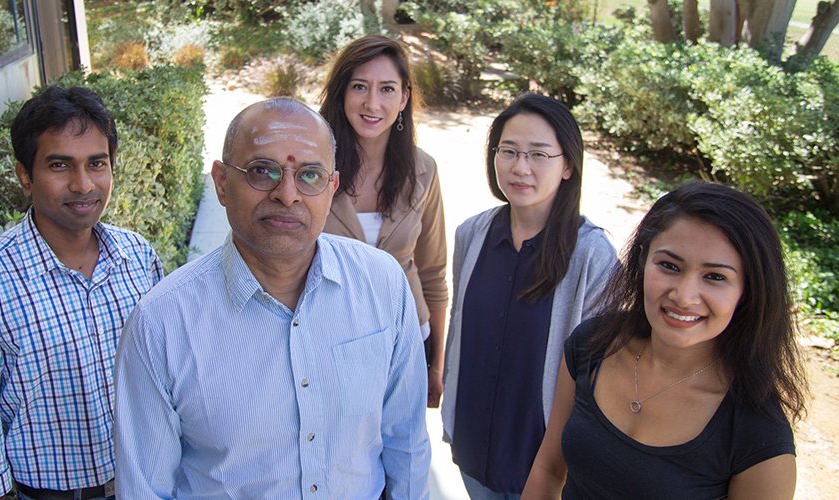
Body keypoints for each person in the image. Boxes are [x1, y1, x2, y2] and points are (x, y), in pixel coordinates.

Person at [114, 98, 431, 498]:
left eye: (310, 175)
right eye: (262, 172)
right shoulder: (161, 324)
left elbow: (406, 443)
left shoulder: (381, 284)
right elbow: (145, 489)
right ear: (222, 182)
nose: (287, 194)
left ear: (331, 189)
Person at [0, 86, 163, 500]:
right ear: (25, 175)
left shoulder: (138, 255)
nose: (83, 185)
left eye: (97, 164)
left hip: (147, 483)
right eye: (60, 165)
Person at [522, 182, 807, 499]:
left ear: (749, 291)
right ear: (643, 262)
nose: (684, 297)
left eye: (715, 276)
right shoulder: (592, 344)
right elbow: (549, 469)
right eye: (669, 266)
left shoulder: (758, 434)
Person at [441, 93, 619, 498]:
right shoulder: (472, 234)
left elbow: (599, 378)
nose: (520, 167)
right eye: (508, 151)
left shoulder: (592, 255)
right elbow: (459, 328)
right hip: (473, 446)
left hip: (543, 467)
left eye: (539, 154)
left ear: (569, 164)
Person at [319, 35, 448, 408]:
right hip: (326, 342)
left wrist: (436, 364)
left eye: (387, 89)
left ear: (404, 97)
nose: (372, 103)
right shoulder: (313, 167)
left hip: (408, 341)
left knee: (400, 458)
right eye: (359, 86)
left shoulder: (424, 170)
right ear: (342, 91)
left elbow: (433, 272)